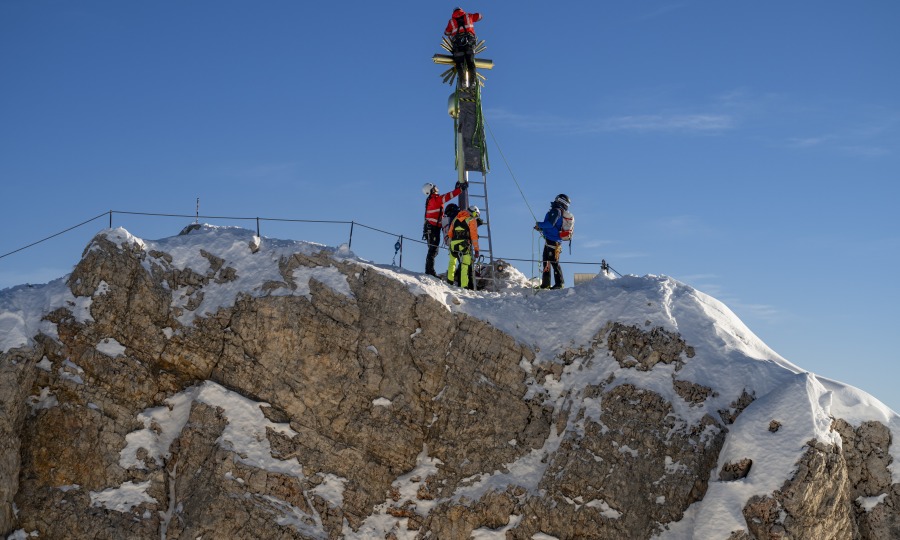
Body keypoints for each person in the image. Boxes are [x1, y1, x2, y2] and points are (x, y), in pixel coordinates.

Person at [423, 181, 466, 276]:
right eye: (435, 188)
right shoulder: (435, 199)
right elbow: (447, 197)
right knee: (433, 249)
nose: (436, 189)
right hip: (433, 228)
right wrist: (459, 190)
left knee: (434, 249)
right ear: (431, 190)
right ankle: (429, 271)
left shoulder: (432, 200)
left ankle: (429, 270)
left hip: (433, 228)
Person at [534, 194, 571, 289]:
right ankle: (545, 284)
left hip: (553, 241)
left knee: (554, 261)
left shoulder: (556, 211)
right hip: (550, 239)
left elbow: (550, 224)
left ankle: (559, 283)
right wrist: (541, 228)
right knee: (546, 261)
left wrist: (539, 224)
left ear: (559, 200)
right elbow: (553, 227)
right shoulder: (558, 211)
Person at [444, 7, 482, 88]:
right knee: (471, 63)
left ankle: (463, 82)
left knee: (459, 64)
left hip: (458, 45)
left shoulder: (451, 21)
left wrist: (453, 32)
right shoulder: (469, 16)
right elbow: (479, 16)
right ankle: (473, 83)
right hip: (469, 43)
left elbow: (446, 32)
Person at [447, 205, 481, 289]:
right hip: (464, 244)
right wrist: (476, 250)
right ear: (473, 212)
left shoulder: (455, 218)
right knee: (465, 265)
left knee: (452, 262)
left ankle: (449, 282)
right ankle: (464, 286)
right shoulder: (471, 220)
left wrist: (450, 244)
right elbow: (474, 237)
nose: (476, 217)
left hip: (453, 244)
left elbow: (450, 233)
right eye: (476, 215)